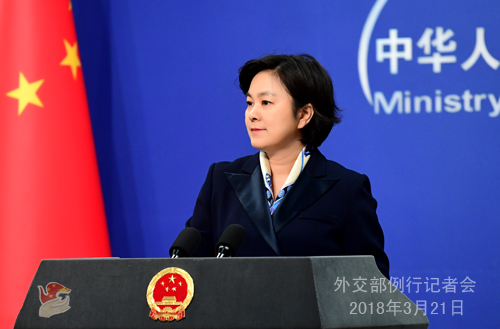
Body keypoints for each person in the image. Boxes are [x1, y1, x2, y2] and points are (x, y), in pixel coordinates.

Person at [185, 54, 389, 278]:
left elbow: (371, 285)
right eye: (249, 103)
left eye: (266, 103)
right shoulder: (221, 180)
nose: (252, 114)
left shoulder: (347, 188)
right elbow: (189, 269)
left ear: (304, 114)